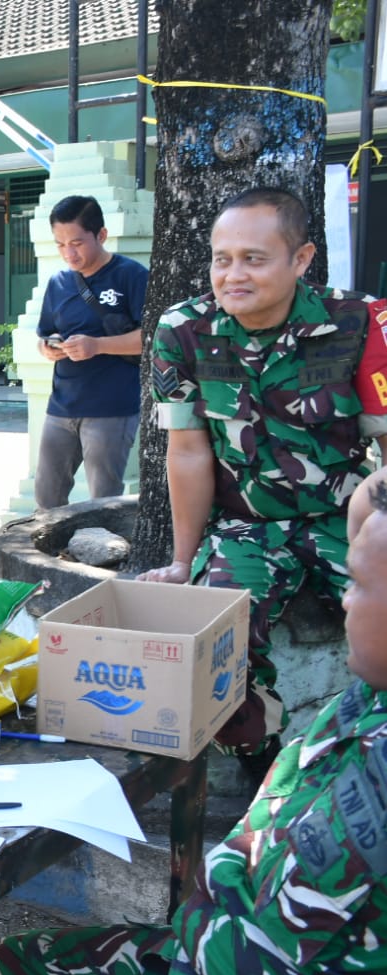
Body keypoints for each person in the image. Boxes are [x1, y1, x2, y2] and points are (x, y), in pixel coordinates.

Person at [0, 478, 387, 975]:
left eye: (360, 583)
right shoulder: (372, 693)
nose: (345, 599)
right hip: (214, 961)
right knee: (16, 968)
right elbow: (368, 505)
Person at [140, 187, 387, 771]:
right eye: (222, 259)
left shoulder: (358, 321)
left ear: (301, 259)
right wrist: (182, 560)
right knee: (218, 648)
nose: (233, 275)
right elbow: (188, 452)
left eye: (253, 259)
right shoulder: (184, 330)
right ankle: (263, 774)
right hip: (247, 526)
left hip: (344, 517)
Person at [33, 194, 148, 510]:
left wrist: (97, 346)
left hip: (111, 408)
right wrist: (48, 347)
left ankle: (100, 545)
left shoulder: (131, 276)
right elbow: (45, 333)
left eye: (77, 243)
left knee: (103, 503)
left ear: (101, 235)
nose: (68, 254)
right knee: (46, 497)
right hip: (61, 406)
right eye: (60, 245)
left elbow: (152, 338)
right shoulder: (58, 283)